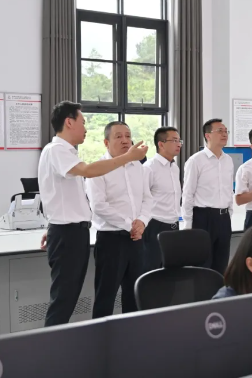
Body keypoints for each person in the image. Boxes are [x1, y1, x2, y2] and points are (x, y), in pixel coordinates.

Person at [38, 101, 147, 327]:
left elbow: (62, 197)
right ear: (69, 122)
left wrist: (54, 225)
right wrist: (128, 157)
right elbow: (88, 172)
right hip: (69, 234)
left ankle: (55, 344)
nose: (86, 128)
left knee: (68, 297)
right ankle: (50, 346)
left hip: (71, 231)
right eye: (83, 122)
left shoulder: (66, 152)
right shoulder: (57, 149)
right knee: (64, 300)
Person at [86, 121, 152, 316]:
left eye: (128, 136)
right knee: (105, 296)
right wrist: (129, 225)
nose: (125, 140)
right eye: (119, 136)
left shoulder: (139, 167)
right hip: (111, 240)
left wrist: (142, 221)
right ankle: (101, 334)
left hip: (137, 240)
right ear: (106, 142)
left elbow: (148, 199)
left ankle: (132, 333)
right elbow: (98, 205)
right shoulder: (97, 168)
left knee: (135, 295)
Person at [182, 118, 234, 274]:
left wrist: (229, 213)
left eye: (226, 131)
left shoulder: (228, 160)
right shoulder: (196, 161)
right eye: (220, 131)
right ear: (207, 135)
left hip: (224, 219)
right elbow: (188, 193)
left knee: (221, 265)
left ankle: (219, 291)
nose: (224, 134)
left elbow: (228, 190)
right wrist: (188, 224)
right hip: (203, 218)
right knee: (202, 266)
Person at [142, 127, 183, 271]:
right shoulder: (149, 168)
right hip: (154, 225)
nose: (179, 144)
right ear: (161, 144)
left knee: (172, 270)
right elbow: (141, 199)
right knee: (152, 270)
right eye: (174, 140)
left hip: (174, 225)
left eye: (179, 141)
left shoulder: (174, 167)